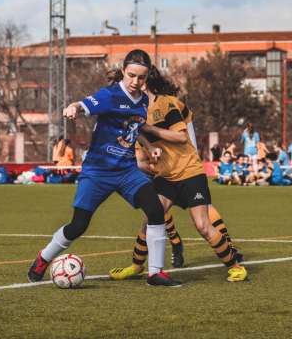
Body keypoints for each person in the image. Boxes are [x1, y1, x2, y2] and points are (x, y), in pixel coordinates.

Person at [27, 49, 181, 287]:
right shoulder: (110, 95)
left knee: (155, 210)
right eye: (131, 75)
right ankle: (44, 257)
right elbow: (83, 104)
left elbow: (134, 128)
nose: (135, 82)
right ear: (123, 72)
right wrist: (72, 108)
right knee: (79, 225)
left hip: (127, 171)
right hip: (98, 172)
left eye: (141, 77)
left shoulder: (142, 101)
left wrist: (149, 147)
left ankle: (155, 273)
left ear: (147, 77)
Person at [109, 66, 247, 282]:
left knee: (202, 225)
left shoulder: (166, 104)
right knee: (149, 219)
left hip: (189, 172)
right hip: (166, 177)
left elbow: (181, 137)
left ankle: (235, 266)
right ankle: (136, 266)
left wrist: (151, 130)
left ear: (145, 82)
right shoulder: (135, 112)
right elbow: (140, 153)